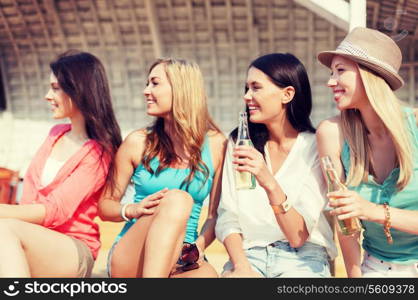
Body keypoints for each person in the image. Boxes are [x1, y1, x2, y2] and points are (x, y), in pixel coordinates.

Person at [99, 58, 227, 278]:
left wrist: (198, 248)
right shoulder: (137, 141)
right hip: (133, 255)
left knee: (207, 278)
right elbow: (105, 206)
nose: (145, 91)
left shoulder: (216, 143)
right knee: (179, 199)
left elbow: (215, 215)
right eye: (148, 83)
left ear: (181, 89)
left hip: (182, 257)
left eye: (155, 83)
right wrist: (131, 209)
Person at [0, 50, 122, 277]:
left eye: (56, 88)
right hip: (30, 237)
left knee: (2, 230)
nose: (47, 95)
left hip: (72, 249)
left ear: (78, 90)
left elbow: (55, 211)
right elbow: (29, 197)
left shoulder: (99, 152)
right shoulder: (55, 133)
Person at [215, 53, 337, 278]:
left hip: (304, 258)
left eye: (256, 87)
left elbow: (297, 236)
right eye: (246, 88)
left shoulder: (314, 146)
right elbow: (228, 216)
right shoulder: (240, 143)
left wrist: (267, 179)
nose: (247, 96)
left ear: (287, 94)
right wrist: (241, 267)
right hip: (248, 255)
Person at [316, 27, 418, 277]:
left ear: (370, 75)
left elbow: (362, 210)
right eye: (331, 72)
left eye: (340, 71)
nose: (331, 81)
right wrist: (355, 278)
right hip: (374, 267)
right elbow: (345, 222)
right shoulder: (332, 132)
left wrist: (372, 211)